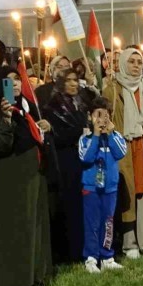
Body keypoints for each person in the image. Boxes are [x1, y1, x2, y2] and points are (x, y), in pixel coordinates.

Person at [0, 66, 53, 286]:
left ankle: (36, 275)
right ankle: (16, 282)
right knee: (15, 231)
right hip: (8, 182)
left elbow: (33, 139)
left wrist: (43, 128)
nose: (15, 84)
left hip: (31, 178)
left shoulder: (26, 108)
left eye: (17, 80)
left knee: (33, 228)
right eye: (8, 81)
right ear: (0, 86)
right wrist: (6, 121)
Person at [103, 48, 143, 259]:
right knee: (127, 194)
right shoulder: (112, 90)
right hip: (124, 148)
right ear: (123, 63)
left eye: (139, 62)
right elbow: (105, 119)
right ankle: (129, 243)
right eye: (131, 61)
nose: (136, 66)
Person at [45, 69, 90, 263]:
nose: (73, 84)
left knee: (81, 206)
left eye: (75, 80)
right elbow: (56, 135)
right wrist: (80, 131)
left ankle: (84, 248)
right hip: (65, 161)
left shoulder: (81, 103)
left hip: (81, 159)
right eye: (69, 80)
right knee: (68, 206)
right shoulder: (53, 107)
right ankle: (70, 252)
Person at [78, 97, 127, 273]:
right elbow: (86, 157)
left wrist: (111, 134)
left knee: (108, 223)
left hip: (110, 189)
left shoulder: (116, 136)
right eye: (97, 115)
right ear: (90, 117)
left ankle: (107, 257)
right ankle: (91, 258)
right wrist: (96, 136)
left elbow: (121, 153)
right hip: (91, 188)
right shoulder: (85, 138)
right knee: (92, 223)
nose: (101, 120)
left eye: (105, 116)